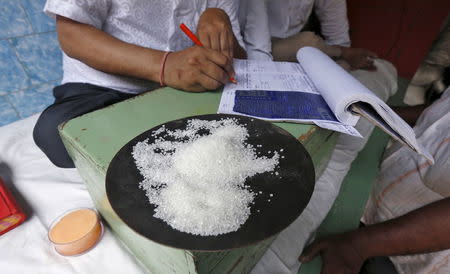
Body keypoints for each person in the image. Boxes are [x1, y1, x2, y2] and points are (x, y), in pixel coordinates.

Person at [33, 0, 246, 168]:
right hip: (101, 88)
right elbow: (71, 35)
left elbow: (238, 60)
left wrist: (220, 18)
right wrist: (164, 66)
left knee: (241, 123)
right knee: (55, 133)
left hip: (178, 90)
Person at [300, 86, 450, 274]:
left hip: (420, 254)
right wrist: (375, 114)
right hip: (376, 209)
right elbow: (440, 116)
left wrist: (359, 246)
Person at [239, 0, 377, 71]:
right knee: (307, 44)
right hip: (248, 47)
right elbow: (258, 46)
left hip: (297, 55)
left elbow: (339, 38)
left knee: (311, 50)